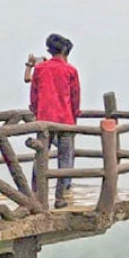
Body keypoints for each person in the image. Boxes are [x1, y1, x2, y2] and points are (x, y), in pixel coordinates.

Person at [28, 33, 81, 208]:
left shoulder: (40, 69)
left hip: (44, 120)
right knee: (64, 158)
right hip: (65, 120)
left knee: (40, 157)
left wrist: (36, 111)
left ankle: (36, 195)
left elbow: (34, 95)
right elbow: (75, 97)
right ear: (64, 50)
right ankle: (59, 197)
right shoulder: (70, 71)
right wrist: (75, 115)